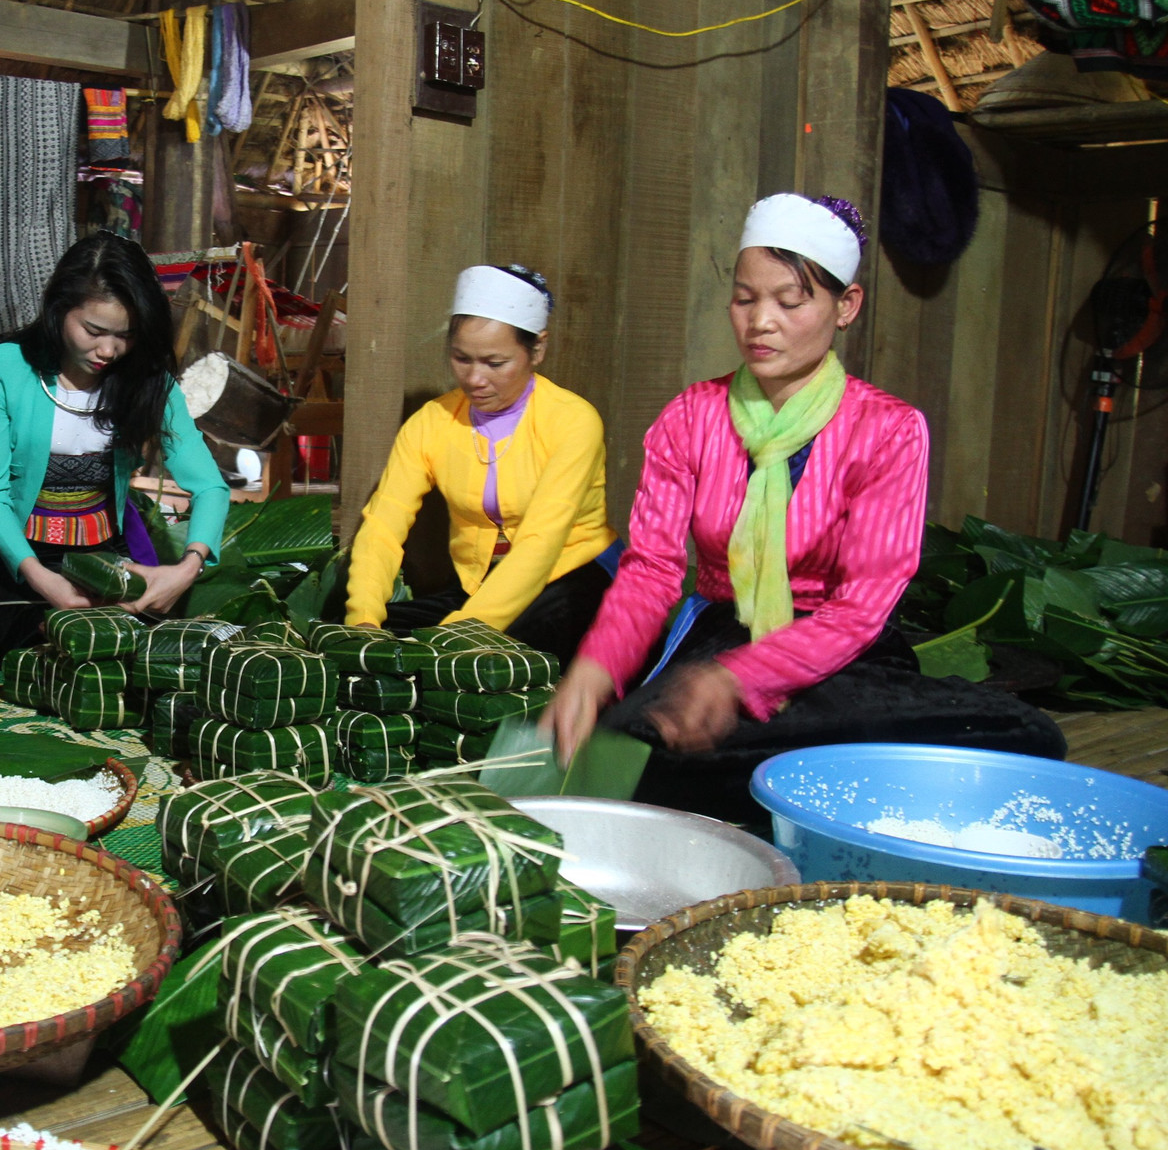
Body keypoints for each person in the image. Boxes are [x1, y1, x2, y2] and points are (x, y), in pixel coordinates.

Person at [544, 194, 1063, 824]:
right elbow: (652, 568)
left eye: (790, 302)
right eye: (744, 298)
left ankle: (794, 787)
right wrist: (595, 672)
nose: (761, 322)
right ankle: (819, 795)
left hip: (843, 651)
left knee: (1023, 736)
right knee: (638, 752)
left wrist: (739, 680)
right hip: (720, 631)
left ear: (846, 306)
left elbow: (861, 607)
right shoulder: (691, 417)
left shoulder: (889, 429)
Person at [0, 232, 229, 661]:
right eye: (93, 330)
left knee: (113, 672)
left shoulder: (148, 382)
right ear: (58, 309)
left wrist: (188, 567)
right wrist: (40, 577)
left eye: (126, 335)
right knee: (20, 667)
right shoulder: (3, 369)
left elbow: (211, 488)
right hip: (14, 561)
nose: (108, 350)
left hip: (103, 562)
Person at [344, 264, 618, 660]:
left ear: (537, 350)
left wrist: (455, 637)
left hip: (573, 578)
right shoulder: (431, 423)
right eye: (461, 359)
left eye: (494, 363)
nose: (474, 379)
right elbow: (383, 526)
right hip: (482, 584)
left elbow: (540, 545)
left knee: (517, 645)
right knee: (384, 634)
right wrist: (364, 621)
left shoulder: (573, 421)